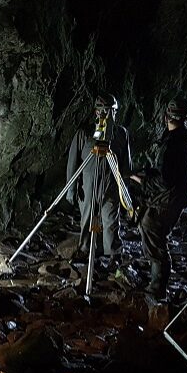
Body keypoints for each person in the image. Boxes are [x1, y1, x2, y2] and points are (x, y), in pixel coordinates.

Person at [139, 96, 187, 299]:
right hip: (179, 198)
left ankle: (157, 289)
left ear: (166, 116)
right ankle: (157, 283)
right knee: (153, 230)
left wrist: (142, 180)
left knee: (151, 228)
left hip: (169, 199)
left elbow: (165, 180)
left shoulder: (173, 143)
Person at [65, 92, 133, 263]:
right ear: (97, 112)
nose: (111, 115)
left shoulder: (120, 134)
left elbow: (126, 165)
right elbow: (73, 163)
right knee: (88, 218)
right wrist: (71, 190)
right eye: (108, 111)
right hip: (88, 186)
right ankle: (85, 249)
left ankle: (113, 253)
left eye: (113, 111)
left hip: (111, 185)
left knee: (110, 220)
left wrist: (125, 191)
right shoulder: (84, 134)